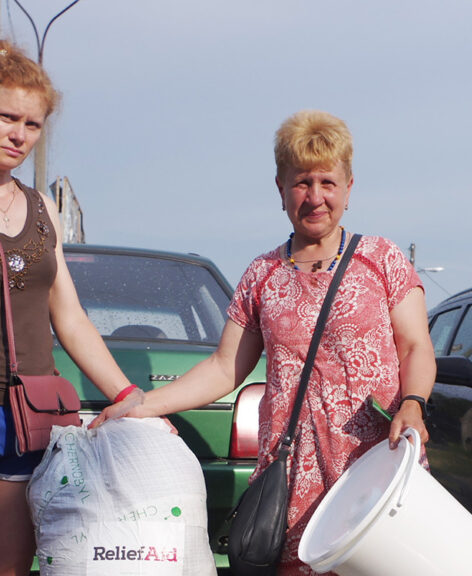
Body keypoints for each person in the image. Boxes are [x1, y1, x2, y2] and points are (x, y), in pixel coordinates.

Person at [93, 109, 436, 574]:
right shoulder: (262, 275)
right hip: (292, 480)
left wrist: (412, 404)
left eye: (327, 183)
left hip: (377, 466)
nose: (315, 197)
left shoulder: (382, 259)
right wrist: (141, 405)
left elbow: (415, 346)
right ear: (280, 189)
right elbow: (223, 367)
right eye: (301, 183)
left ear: (349, 188)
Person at [0, 40, 141, 576]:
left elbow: (72, 318)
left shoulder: (41, 212)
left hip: (25, 417)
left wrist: (126, 396)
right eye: (8, 117)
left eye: (33, 125)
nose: (20, 135)